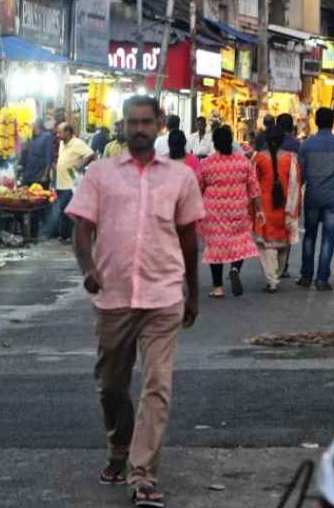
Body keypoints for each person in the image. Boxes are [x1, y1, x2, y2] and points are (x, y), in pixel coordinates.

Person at [66, 94, 205, 508]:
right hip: (114, 297)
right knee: (111, 386)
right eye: (133, 122)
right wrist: (88, 269)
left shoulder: (180, 178)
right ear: (123, 126)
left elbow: (188, 239)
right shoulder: (100, 174)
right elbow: (82, 229)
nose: (139, 129)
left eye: (146, 122)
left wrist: (193, 292)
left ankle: (143, 474)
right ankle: (118, 450)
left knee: (158, 385)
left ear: (159, 124)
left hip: (163, 296)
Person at [197, 125, 262, 298]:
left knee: (216, 247)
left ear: (215, 143)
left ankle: (217, 287)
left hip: (213, 211)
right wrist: (259, 210)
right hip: (238, 208)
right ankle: (234, 269)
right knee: (238, 242)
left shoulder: (206, 164)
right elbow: (254, 188)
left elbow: (198, 188)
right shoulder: (243, 162)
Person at [297, 107, 334, 290]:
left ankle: (306, 276)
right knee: (328, 238)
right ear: (333, 123)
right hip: (333, 196)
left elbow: (300, 172)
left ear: (316, 122)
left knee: (309, 236)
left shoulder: (306, 144)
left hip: (313, 196)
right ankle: (322, 279)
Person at [252, 125, 301, 293]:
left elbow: (252, 185)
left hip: (264, 208)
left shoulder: (258, 158)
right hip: (284, 207)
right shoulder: (291, 158)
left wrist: (254, 208)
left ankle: (272, 279)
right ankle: (277, 274)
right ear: (282, 141)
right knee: (282, 244)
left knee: (267, 247)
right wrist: (292, 210)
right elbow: (295, 185)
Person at [50, 123, 94, 244]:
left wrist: (80, 165)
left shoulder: (77, 143)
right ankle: (64, 236)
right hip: (60, 182)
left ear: (68, 133)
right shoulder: (61, 143)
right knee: (63, 210)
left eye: (60, 132)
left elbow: (91, 154)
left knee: (68, 211)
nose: (58, 135)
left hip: (70, 183)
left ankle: (69, 236)